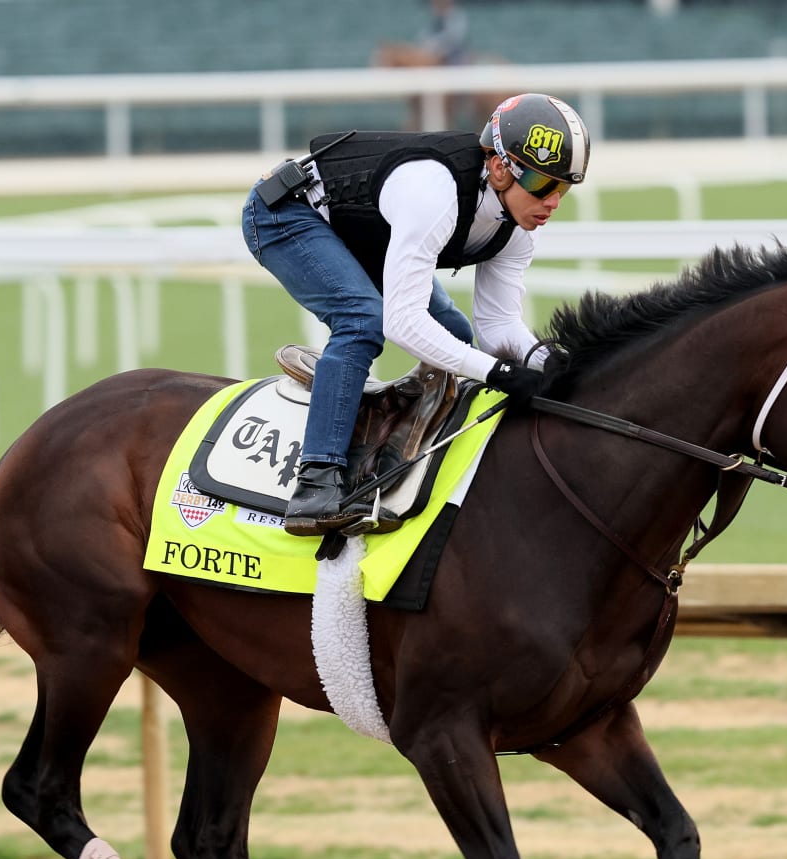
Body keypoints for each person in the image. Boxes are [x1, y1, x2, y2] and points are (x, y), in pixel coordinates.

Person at [240, 93, 592, 535]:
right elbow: (402, 322)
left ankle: (400, 440)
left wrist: (554, 363)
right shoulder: (434, 193)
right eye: (543, 184)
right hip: (286, 213)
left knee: (454, 331)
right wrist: (499, 372)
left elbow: (497, 326)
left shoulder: (519, 229)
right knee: (362, 319)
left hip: (358, 230)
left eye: (563, 189)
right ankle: (316, 482)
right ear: (500, 168)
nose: (553, 202)